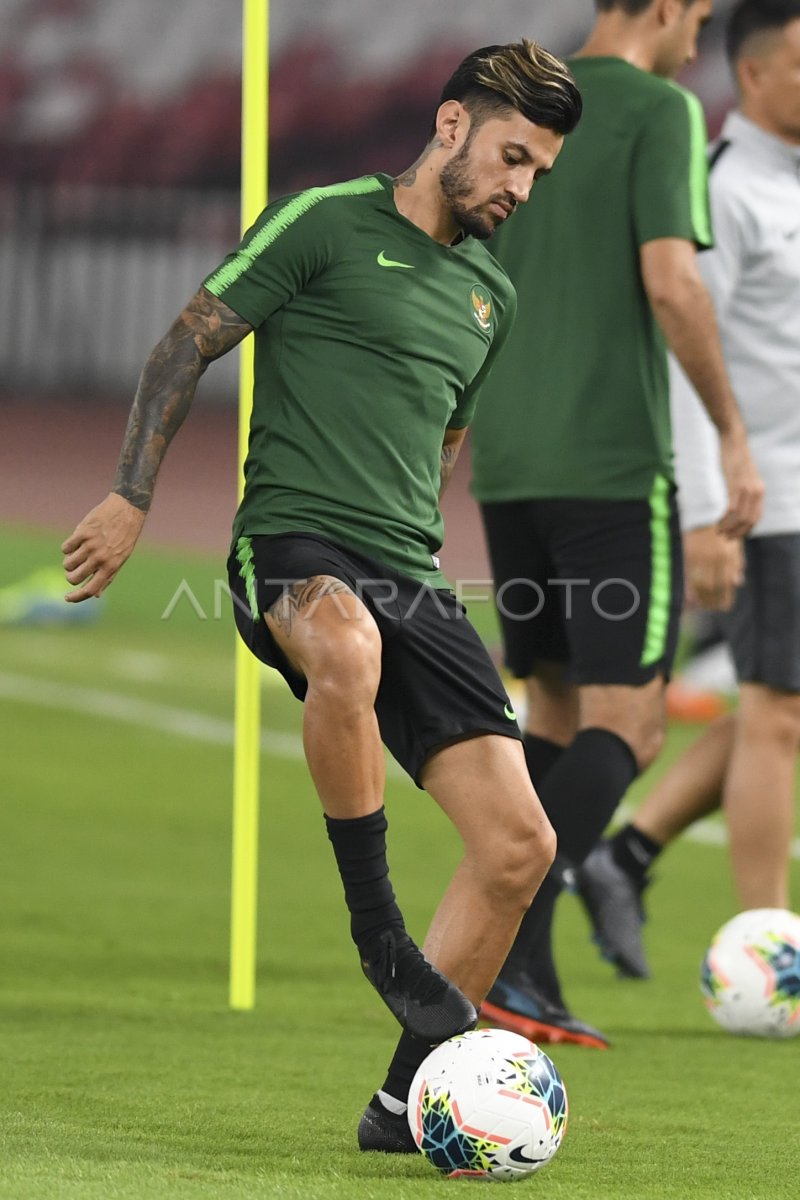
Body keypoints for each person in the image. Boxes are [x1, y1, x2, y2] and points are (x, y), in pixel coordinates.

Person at [60, 41, 583, 1152]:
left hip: (410, 571)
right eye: (509, 157)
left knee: (518, 844)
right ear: (449, 127)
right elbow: (183, 347)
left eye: (537, 172)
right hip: (292, 545)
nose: (518, 188)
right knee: (344, 651)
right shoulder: (324, 220)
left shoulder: (492, 294)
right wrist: (127, 498)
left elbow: (444, 440)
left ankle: (402, 1108)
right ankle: (379, 936)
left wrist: (417, 561)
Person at [469, 0, 764, 1049]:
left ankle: (519, 979)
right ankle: (502, 939)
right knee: (630, 722)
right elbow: (671, 281)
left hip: (506, 455)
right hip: (606, 460)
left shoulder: (519, 107)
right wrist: (729, 433)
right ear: (672, 8)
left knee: (550, 713)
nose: (703, 34)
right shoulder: (658, 111)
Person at [576, 0, 800, 981]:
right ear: (750, 74)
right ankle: (769, 953)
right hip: (768, 497)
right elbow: (676, 351)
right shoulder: (722, 188)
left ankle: (624, 852)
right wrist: (710, 507)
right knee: (777, 713)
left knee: (786, 711)